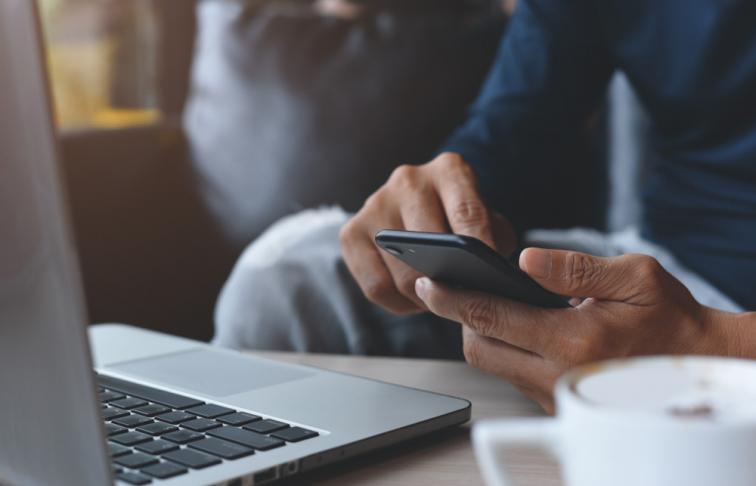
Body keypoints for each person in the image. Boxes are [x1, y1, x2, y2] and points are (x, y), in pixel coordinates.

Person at [215, 0, 756, 412]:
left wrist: (720, 347)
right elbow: (517, 126)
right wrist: (445, 198)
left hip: (730, 326)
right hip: (675, 264)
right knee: (285, 289)